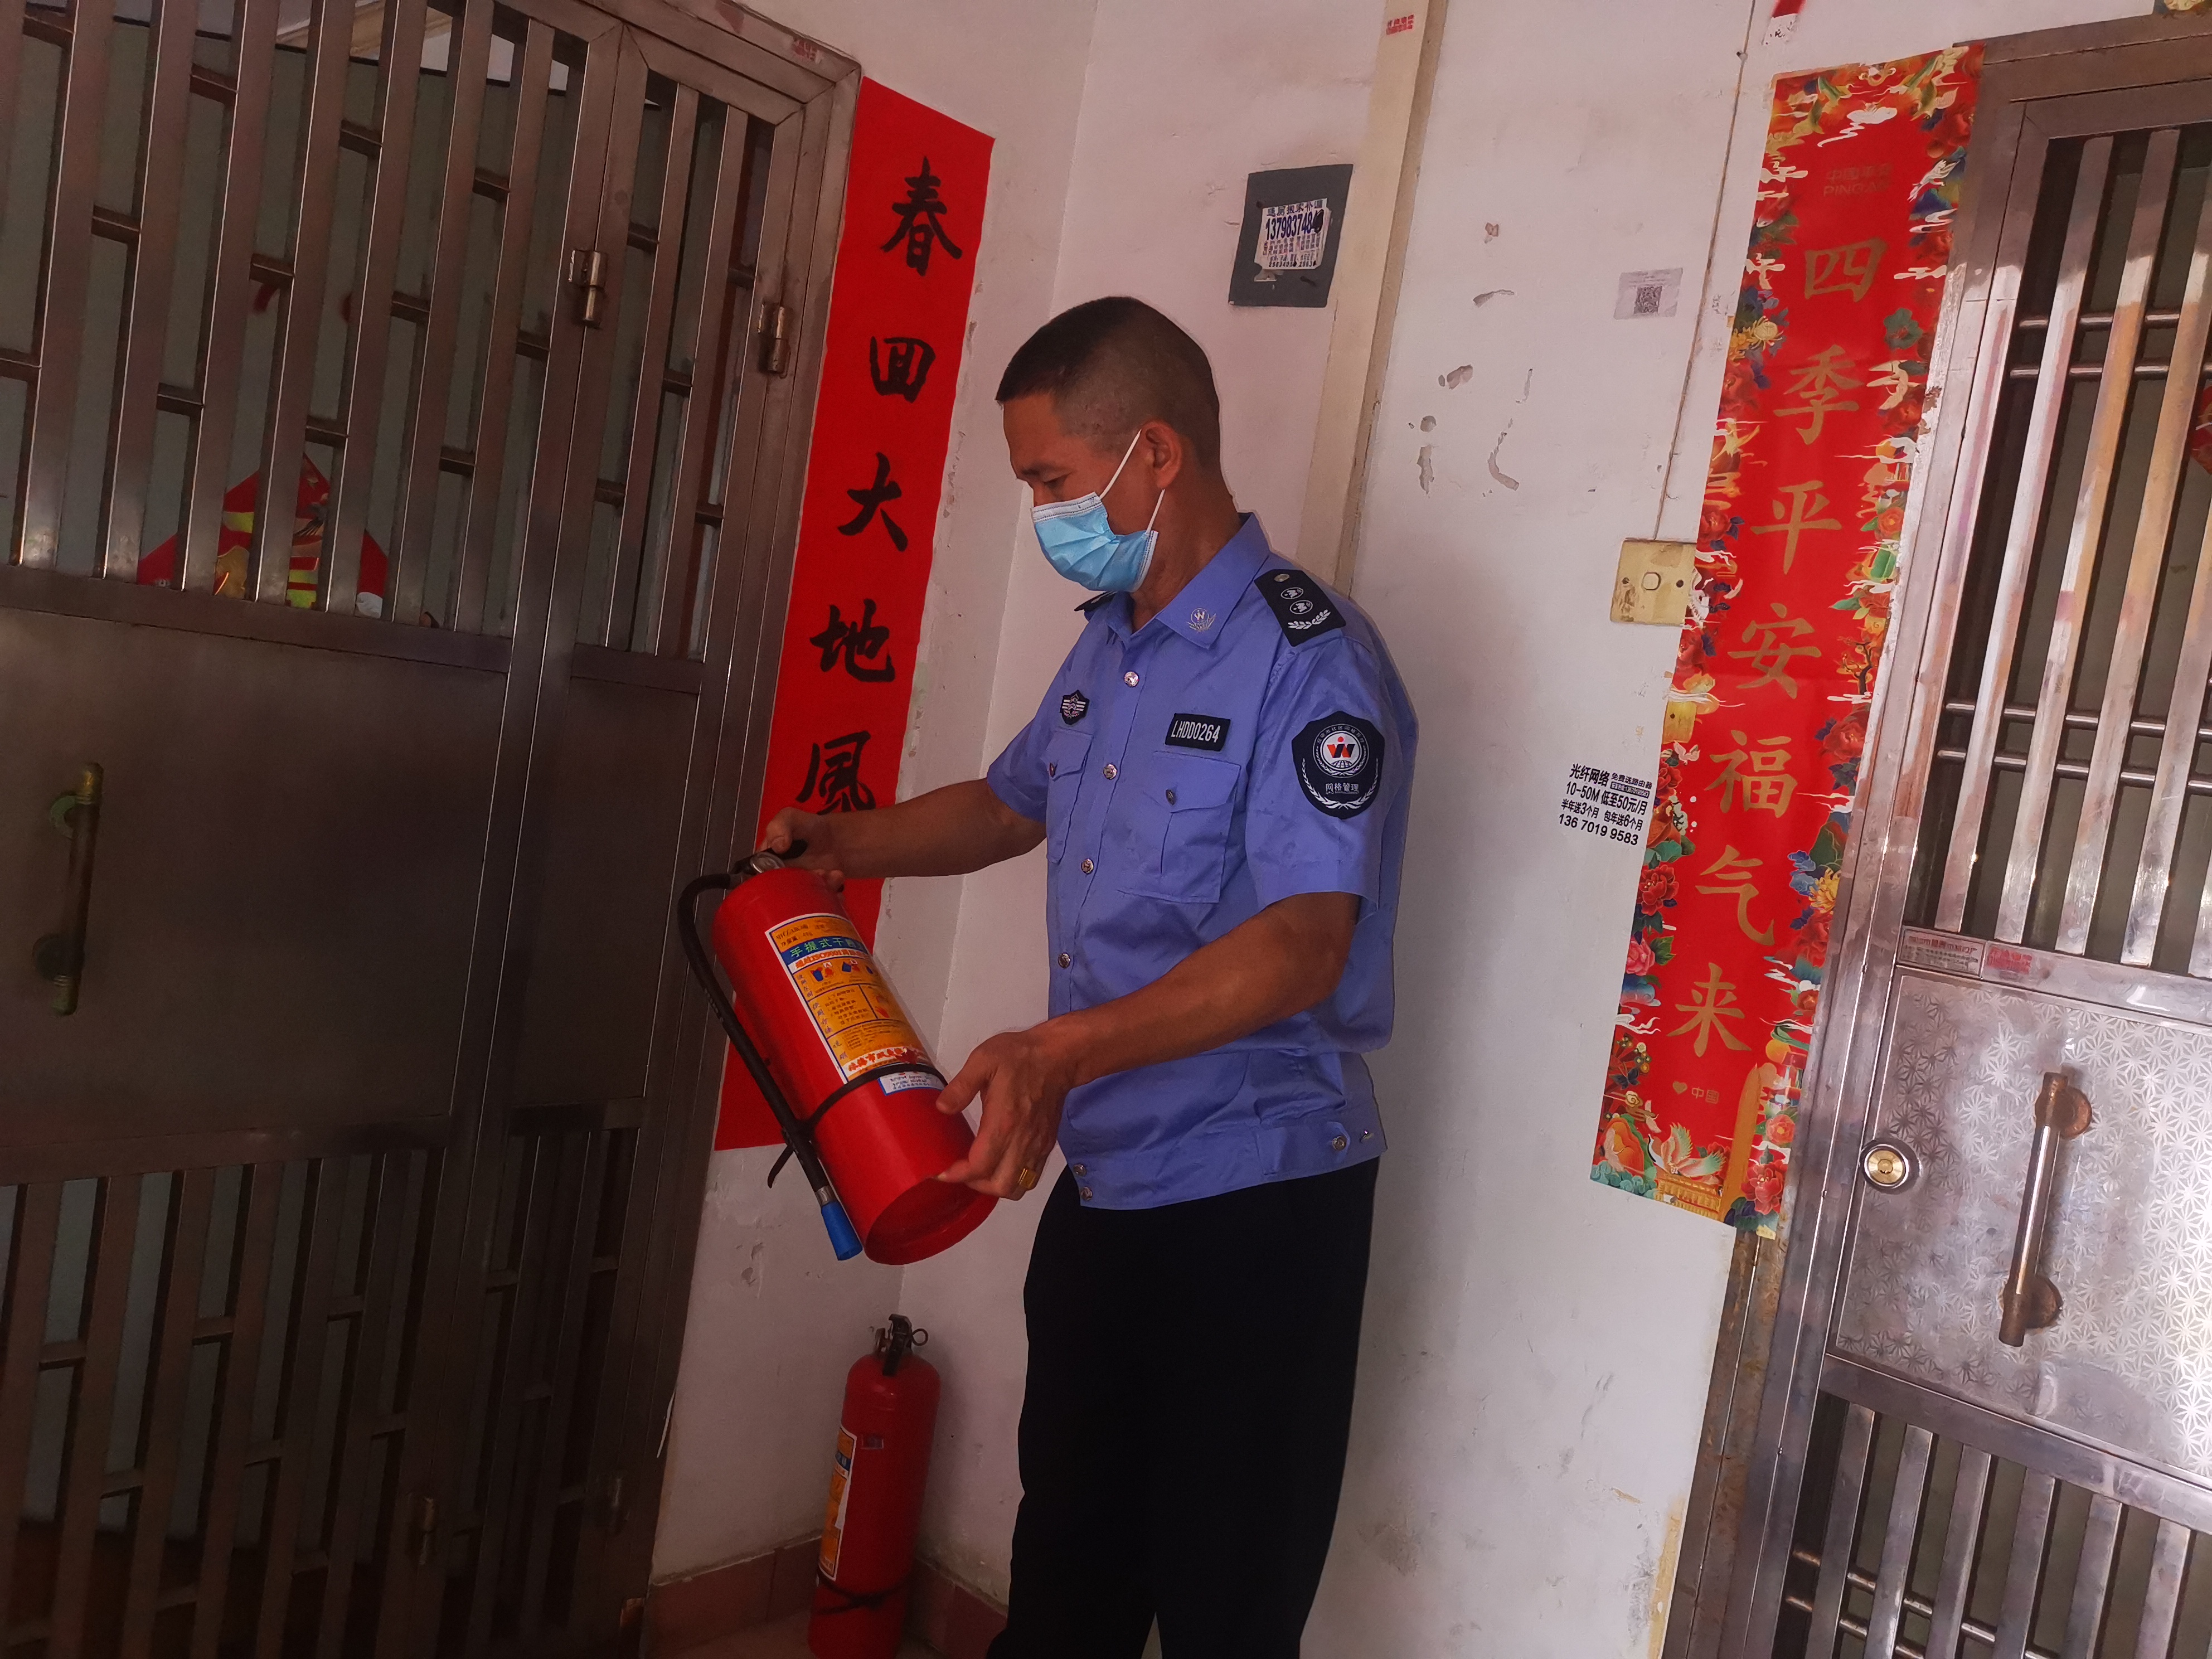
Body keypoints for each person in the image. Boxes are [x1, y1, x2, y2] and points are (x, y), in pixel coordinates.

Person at [763, 295, 1417, 1658]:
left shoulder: (1310, 662)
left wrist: (1061, 1050)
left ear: (1154, 455)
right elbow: (1011, 805)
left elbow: (1305, 941)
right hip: (1111, 1185)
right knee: (1068, 1572)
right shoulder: (1113, 641)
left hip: (1259, 1207)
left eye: (1052, 481)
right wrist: (844, 844)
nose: (1044, 513)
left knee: (1226, 1609)